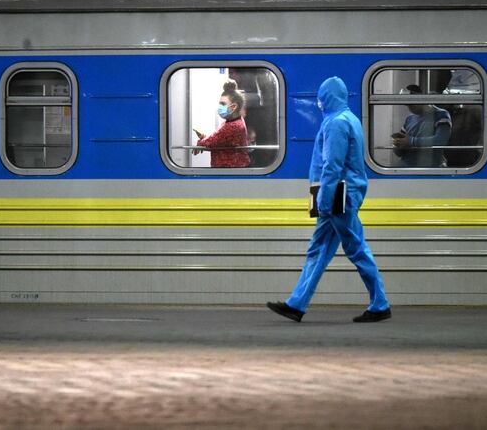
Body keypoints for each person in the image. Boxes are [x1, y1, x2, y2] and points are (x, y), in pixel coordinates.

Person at [267, 76, 391, 323]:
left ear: (328, 97)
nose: (319, 103)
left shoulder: (336, 123)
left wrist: (324, 202)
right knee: (318, 249)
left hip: (337, 196)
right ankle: (297, 303)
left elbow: (332, 165)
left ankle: (380, 304)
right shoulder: (349, 119)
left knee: (356, 247)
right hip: (338, 193)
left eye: (321, 98)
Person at [392, 84, 452, 167]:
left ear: (420, 98)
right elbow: (399, 152)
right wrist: (398, 144)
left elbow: (440, 140)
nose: (410, 108)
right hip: (407, 166)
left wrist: (411, 141)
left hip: (431, 167)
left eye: (411, 104)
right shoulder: (409, 118)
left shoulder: (441, 115)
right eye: (407, 105)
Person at [193, 80, 250, 168]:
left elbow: (210, 142)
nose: (220, 107)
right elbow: (218, 140)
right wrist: (203, 138)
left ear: (233, 107)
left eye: (223, 104)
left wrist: (201, 142)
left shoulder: (233, 126)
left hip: (231, 170)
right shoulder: (233, 121)